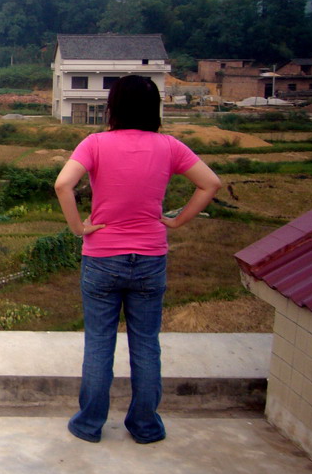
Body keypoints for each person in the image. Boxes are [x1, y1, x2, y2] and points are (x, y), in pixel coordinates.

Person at [54, 75, 221, 444]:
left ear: (113, 107)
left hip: (102, 257)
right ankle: (145, 426)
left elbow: (63, 184)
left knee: (99, 342)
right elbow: (210, 183)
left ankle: (89, 424)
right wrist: (176, 221)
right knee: (146, 343)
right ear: (154, 107)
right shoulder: (169, 146)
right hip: (150, 257)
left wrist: (79, 228)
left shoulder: (95, 143)